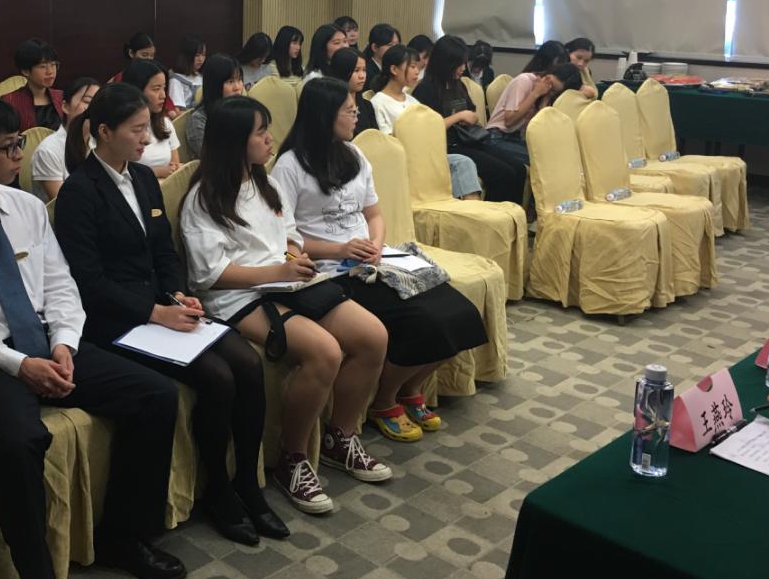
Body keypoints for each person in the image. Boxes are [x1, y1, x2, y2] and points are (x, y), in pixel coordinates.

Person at [0, 94, 186, 579]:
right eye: (9, 147)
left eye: (20, 143)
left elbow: (60, 286)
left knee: (156, 395)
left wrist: (64, 344)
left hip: (46, 343)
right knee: (19, 440)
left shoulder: (27, 208)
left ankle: (124, 537)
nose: (19, 156)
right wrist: (20, 365)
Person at [54, 84, 287, 545]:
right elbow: (88, 281)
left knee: (246, 364)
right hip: (116, 320)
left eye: (148, 127)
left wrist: (179, 294)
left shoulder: (143, 178)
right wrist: (154, 312)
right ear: (104, 132)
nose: (147, 138)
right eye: (137, 129)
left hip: (162, 307)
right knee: (217, 377)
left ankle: (247, 481)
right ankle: (218, 489)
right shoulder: (80, 192)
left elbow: (163, 251)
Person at [179, 97, 392, 515]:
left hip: (286, 282)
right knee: (325, 351)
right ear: (234, 141)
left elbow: (290, 235)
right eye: (260, 132)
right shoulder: (204, 199)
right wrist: (278, 270)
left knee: (373, 337)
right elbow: (210, 274)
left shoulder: (266, 184)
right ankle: (292, 458)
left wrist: (294, 259)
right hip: (239, 296)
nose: (269, 139)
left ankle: (340, 437)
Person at [272, 78, 487, 443]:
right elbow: (285, 239)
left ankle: (410, 389)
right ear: (324, 116)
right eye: (348, 109)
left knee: (461, 312)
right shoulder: (290, 166)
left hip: (374, 260)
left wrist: (375, 244)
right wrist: (340, 250)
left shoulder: (353, 154)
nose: (356, 113)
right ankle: (385, 401)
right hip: (332, 271)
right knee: (424, 321)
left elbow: (374, 214)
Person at [414, 35, 527, 203]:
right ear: (445, 64)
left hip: (469, 140)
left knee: (519, 169)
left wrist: (471, 116)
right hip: (448, 147)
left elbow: (471, 111)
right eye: (459, 64)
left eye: (464, 63)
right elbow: (427, 128)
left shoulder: (457, 84)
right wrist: (458, 117)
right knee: (503, 173)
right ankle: (493, 216)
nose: (462, 68)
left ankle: (513, 216)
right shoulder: (426, 89)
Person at [371, 46, 483, 200]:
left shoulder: (411, 101)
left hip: (426, 155)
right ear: (394, 69)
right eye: (412, 67)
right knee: (460, 162)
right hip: (405, 160)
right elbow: (387, 140)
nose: (417, 71)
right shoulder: (378, 102)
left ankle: (472, 209)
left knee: (464, 162)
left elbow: (431, 128)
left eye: (418, 67)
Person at [485, 63, 582, 166]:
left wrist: (545, 100)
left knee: (554, 156)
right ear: (548, 74)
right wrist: (535, 93)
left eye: (554, 91)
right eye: (550, 84)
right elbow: (509, 121)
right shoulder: (524, 81)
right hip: (496, 136)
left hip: (516, 138)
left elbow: (537, 130)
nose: (548, 88)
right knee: (543, 160)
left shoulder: (547, 95)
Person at [30, 76, 99, 202]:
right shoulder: (48, 151)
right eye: (88, 102)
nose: (95, 109)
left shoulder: (101, 144)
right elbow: (64, 203)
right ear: (66, 107)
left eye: (99, 103)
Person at [120, 61, 181, 179]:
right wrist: (155, 172)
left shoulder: (164, 123)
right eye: (156, 89)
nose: (163, 95)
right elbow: (119, 173)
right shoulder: (121, 129)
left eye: (164, 88)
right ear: (137, 90)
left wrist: (172, 169)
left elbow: (175, 166)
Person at [184, 53, 244, 161]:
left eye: (239, 80)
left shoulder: (244, 111)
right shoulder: (199, 119)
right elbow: (211, 158)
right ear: (215, 85)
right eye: (230, 81)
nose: (237, 87)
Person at [2, 39, 62, 131]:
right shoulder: (10, 102)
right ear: (25, 71)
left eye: (53, 64)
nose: (50, 72)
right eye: (42, 66)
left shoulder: (62, 97)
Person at [326, 49, 377, 135]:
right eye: (356, 70)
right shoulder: (331, 108)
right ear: (342, 71)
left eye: (364, 70)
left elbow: (376, 136)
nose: (362, 76)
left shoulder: (367, 105)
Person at [168, 37, 206, 110]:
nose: (201, 59)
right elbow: (177, 111)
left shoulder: (202, 76)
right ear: (187, 56)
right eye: (197, 55)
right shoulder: (176, 80)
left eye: (203, 55)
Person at [364, 23, 400, 90]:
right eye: (390, 45)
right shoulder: (366, 72)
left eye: (397, 44)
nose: (395, 49)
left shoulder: (395, 68)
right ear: (375, 47)